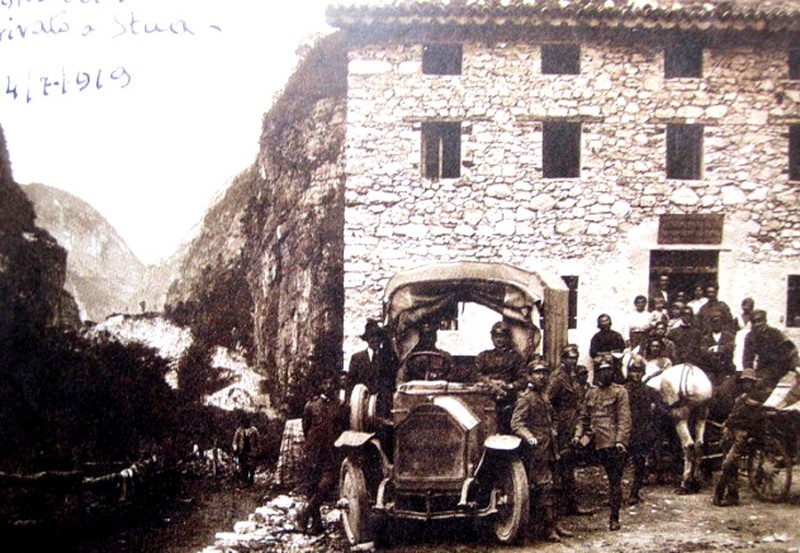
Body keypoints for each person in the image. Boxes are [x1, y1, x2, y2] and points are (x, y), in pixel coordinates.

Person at [511, 362, 573, 542]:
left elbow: (552, 417)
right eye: (537, 373)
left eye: (544, 373)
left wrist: (553, 430)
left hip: (550, 448)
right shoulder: (526, 398)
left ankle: (554, 525)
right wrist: (529, 436)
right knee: (543, 488)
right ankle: (546, 529)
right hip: (536, 451)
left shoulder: (543, 396)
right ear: (529, 376)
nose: (541, 377)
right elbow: (516, 423)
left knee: (554, 487)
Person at [573, 362, 631, 531]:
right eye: (601, 371)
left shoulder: (620, 392)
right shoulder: (591, 393)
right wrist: (578, 436)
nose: (605, 374)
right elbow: (583, 417)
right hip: (592, 441)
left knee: (614, 480)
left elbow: (624, 419)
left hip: (611, 442)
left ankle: (614, 517)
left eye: (608, 371)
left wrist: (621, 441)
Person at [546, 344, 593, 517]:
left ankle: (570, 505)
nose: (572, 361)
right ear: (563, 359)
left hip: (574, 422)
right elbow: (548, 400)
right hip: (562, 424)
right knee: (560, 465)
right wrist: (554, 423)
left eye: (574, 357)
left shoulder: (573, 375)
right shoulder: (558, 377)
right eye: (569, 358)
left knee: (569, 464)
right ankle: (559, 507)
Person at [298, 375, 348, 535]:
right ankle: (317, 524)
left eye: (330, 383)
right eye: (325, 382)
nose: (328, 386)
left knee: (326, 484)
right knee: (312, 487)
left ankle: (305, 514)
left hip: (331, 452)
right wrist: (312, 444)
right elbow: (306, 428)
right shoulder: (311, 406)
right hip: (313, 452)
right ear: (320, 385)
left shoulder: (340, 406)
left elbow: (344, 428)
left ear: (334, 386)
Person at [713, 369, 762, 507]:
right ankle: (733, 495)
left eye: (749, 382)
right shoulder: (740, 396)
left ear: (753, 383)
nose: (747, 384)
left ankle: (719, 493)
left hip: (742, 433)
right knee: (731, 465)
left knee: (728, 463)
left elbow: (754, 417)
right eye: (745, 382)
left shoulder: (755, 397)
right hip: (730, 431)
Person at [624, 356, 664, 505]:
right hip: (626, 432)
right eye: (634, 371)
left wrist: (655, 409)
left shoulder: (650, 391)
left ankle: (634, 493)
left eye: (639, 371)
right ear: (629, 372)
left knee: (639, 464)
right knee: (619, 465)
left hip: (641, 432)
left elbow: (661, 409)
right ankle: (615, 494)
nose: (636, 375)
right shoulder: (623, 390)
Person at [475, 321, 527, 431]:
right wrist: (490, 382)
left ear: (507, 338)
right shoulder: (484, 356)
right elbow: (476, 374)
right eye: (495, 336)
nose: (498, 340)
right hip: (485, 397)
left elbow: (523, 379)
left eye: (502, 336)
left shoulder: (516, 357)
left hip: (507, 400)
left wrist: (509, 386)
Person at [743, 309, 800, 402]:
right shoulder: (750, 337)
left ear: (765, 321)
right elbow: (747, 357)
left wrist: (796, 366)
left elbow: (790, 350)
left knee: (765, 382)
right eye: (754, 322)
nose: (757, 324)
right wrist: (748, 374)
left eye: (759, 321)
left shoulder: (775, 333)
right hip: (764, 365)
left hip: (781, 364)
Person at [346, 319, 397, 417]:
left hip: (384, 406)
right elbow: (350, 382)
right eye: (371, 337)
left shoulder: (388, 357)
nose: (374, 340)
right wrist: (349, 402)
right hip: (362, 406)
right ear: (367, 339)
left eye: (377, 336)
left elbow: (393, 380)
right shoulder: (357, 358)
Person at [699, 313, 735, 387]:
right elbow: (703, 350)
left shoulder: (729, 336)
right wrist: (711, 350)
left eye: (718, 322)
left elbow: (730, 348)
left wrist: (716, 348)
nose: (716, 324)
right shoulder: (706, 338)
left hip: (725, 370)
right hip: (711, 370)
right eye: (714, 322)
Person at [589, 314, 626, 382]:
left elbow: (622, 349)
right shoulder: (596, 337)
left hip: (615, 363)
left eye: (607, 320)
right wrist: (606, 355)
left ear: (610, 322)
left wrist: (613, 355)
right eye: (602, 321)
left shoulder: (617, 335)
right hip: (602, 363)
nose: (605, 323)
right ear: (599, 324)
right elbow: (592, 352)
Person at [232, 412, 260, 486]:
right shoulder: (239, 431)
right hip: (242, 451)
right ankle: (245, 481)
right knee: (243, 466)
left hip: (252, 450)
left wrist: (258, 450)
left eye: (247, 422)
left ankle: (251, 479)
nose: (245, 423)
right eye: (244, 422)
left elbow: (258, 441)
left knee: (252, 466)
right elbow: (235, 441)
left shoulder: (254, 430)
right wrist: (235, 448)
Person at [732, 298, 755, 372]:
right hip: (739, 339)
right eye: (744, 305)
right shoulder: (738, 318)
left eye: (748, 305)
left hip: (751, 338)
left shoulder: (754, 318)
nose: (746, 307)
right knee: (739, 354)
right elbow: (733, 330)